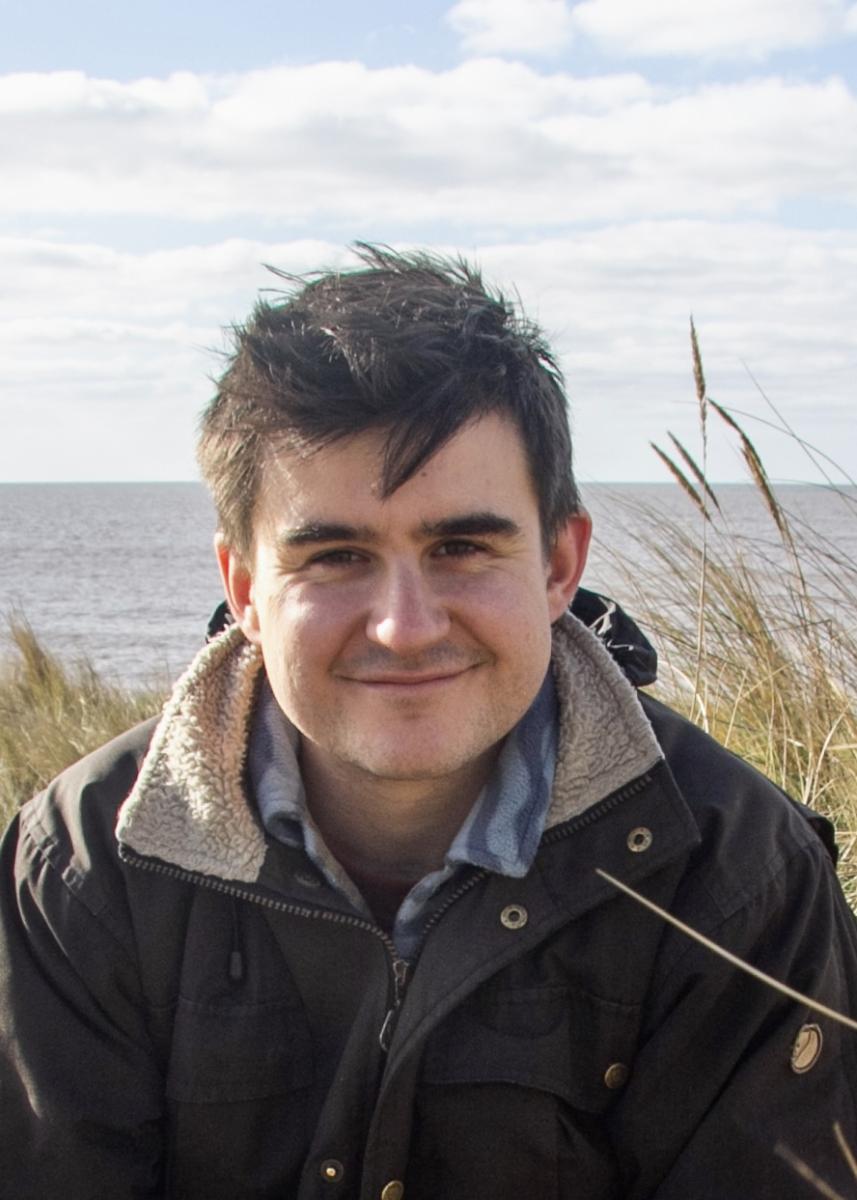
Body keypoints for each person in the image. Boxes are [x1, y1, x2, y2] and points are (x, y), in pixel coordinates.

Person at [0, 245, 855, 1200]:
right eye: (333, 557)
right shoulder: (83, 869)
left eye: (460, 546)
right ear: (243, 586)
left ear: (557, 566)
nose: (404, 627)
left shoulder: (735, 875)